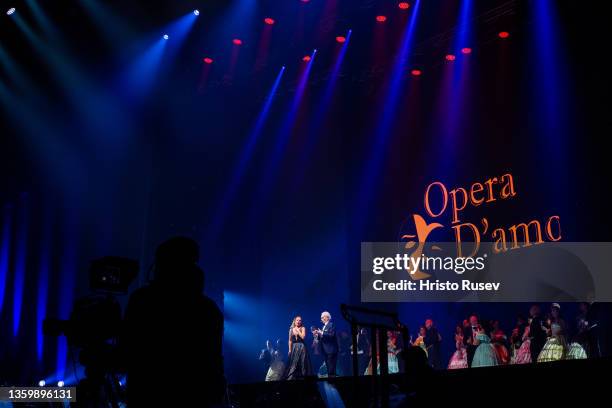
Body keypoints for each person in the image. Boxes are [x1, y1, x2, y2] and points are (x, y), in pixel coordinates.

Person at [123, 237, 224, 407]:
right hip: (195, 396)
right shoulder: (208, 308)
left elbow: (128, 349)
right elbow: (214, 358)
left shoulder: (142, 300)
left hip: (146, 394)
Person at [313, 311, 339, 377]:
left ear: (327, 317)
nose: (321, 319)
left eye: (322, 317)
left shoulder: (331, 325)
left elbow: (331, 335)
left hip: (331, 349)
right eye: (321, 318)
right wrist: (316, 335)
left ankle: (332, 381)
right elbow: (321, 338)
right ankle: (330, 379)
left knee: (331, 367)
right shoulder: (322, 327)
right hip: (324, 350)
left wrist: (321, 333)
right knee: (328, 366)